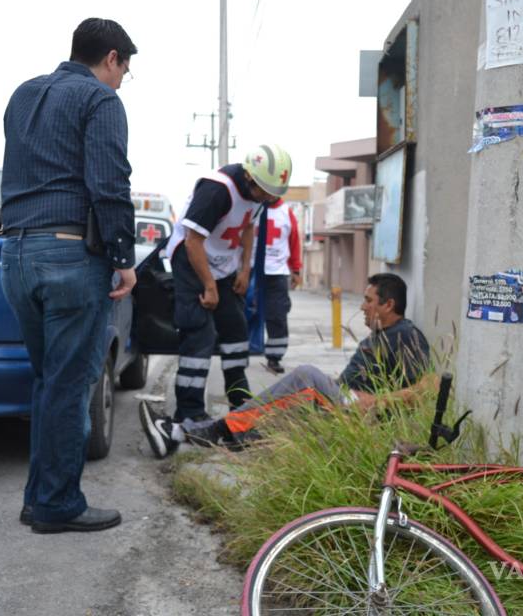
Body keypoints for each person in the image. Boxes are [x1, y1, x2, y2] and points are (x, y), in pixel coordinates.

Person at [0, 18, 137, 534]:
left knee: (48, 381)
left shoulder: (23, 95)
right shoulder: (100, 101)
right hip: (68, 256)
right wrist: (124, 258)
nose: (123, 80)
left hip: (14, 253)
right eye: (125, 69)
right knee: (68, 384)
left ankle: (38, 499)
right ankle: (58, 505)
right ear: (111, 58)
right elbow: (108, 181)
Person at [140, 273, 432, 458]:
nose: (362, 307)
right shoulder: (384, 335)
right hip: (342, 403)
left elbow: (425, 389)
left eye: (368, 301)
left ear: (388, 305)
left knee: (305, 376)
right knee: (269, 415)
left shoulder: (405, 334)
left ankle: (184, 431)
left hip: (354, 412)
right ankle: (180, 433)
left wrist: (373, 402)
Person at [167, 144, 293, 423]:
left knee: (236, 330)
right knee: (199, 333)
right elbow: (193, 241)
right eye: (266, 191)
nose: (270, 198)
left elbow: (248, 227)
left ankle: (240, 401)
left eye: (275, 193)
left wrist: (244, 269)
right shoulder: (217, 190)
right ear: (249, 178)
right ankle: (189, 414)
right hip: (191, 261)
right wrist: (209, 286)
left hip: (224, 264)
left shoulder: (262, 197)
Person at [257, 199, 303, 374]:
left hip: (277, 273)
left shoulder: (286, 212)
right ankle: (242, 352)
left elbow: (294, 241)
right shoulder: (252, 206)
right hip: (252, 271)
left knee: (277, 316)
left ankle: (274, 357)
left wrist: (296, 269)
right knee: (243, 314)